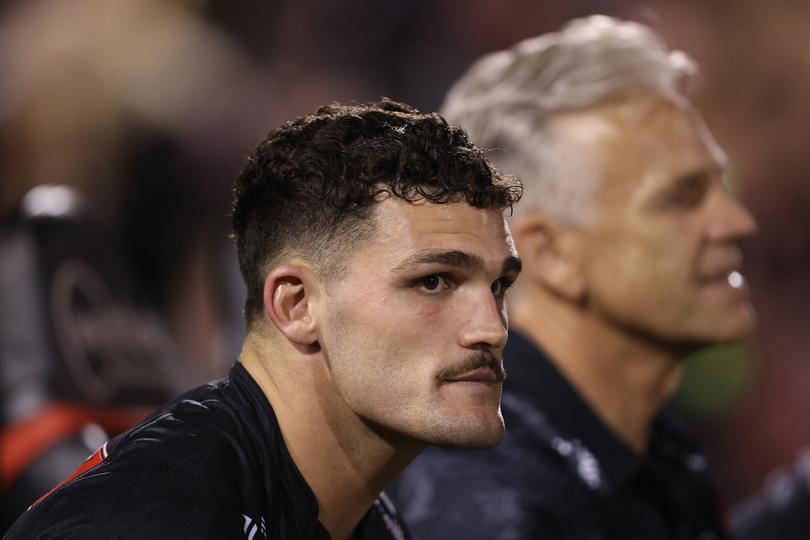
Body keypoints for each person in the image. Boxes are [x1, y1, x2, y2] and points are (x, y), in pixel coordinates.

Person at [4, 98, 523, 539]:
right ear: (296, 307)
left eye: (498, 285)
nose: (492, 330)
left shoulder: (360, 514)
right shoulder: (158, 517)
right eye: (433, 281)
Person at [391, 15, 757, 540]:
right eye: (681, 197)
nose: (738, 222)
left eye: (721, 186)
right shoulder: (494, 505)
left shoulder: (623, 445)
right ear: (551, 254)